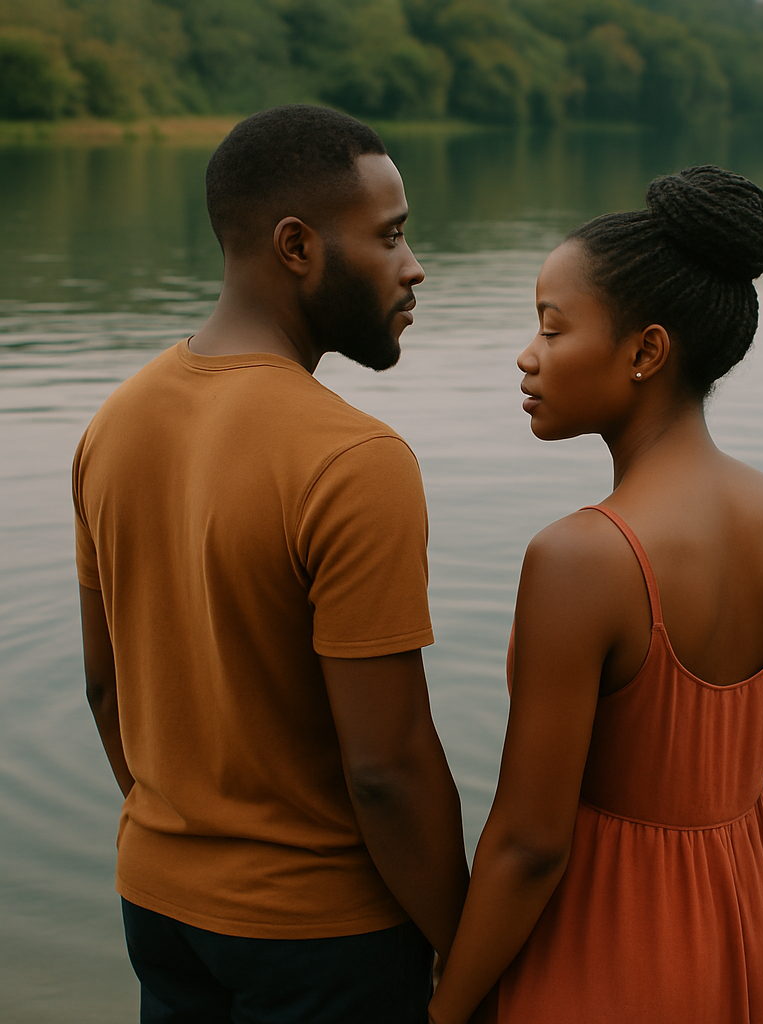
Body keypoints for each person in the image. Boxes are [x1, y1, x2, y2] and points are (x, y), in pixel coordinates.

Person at [73, 105, 469, 1023]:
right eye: (391, 236)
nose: (414, 267)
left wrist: (188, 848)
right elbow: (388, 767)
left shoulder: (113, 424)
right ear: (297, 245)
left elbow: (107, 690)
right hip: (324, 938)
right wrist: (465, 942)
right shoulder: (353, 460)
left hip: (158, 908)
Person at [428, 165, 763, 1024]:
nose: (528, 353)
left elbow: (531, 844)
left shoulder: (581, 559)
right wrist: (760, 936)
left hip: (598, 960)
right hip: (755, 953)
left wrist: (448, 1005)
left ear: (646, 351)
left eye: (552, 328)